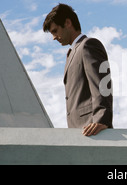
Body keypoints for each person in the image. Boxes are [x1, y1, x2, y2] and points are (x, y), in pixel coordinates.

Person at [43, 3, 113, 136]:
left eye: (55, 31)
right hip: (79, 131)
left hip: (94, 128)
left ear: (68, 22)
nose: (53, 37)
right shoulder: (71, 53)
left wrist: (102, 120)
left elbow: (102, 84)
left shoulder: (88, 45)